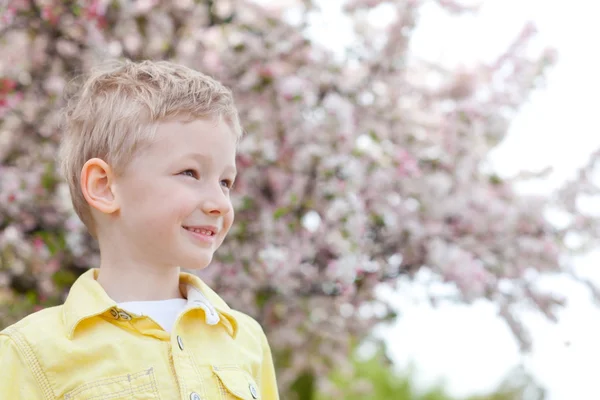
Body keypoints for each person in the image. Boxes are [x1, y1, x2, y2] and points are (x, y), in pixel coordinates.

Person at [0, 59, 279, 399]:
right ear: (104, 186)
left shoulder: (246, 339)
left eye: (225, 182)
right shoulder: (30, 350)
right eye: (190, 173)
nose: (218, 202)